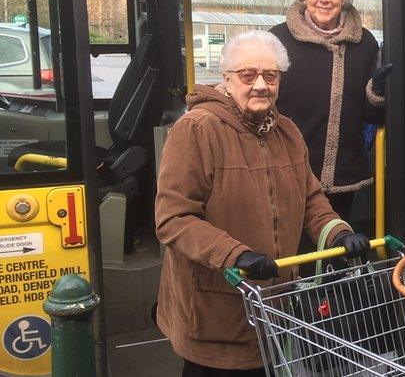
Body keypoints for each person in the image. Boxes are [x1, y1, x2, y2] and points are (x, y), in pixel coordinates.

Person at [154, 30, 370, 376]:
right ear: (227, 78)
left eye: (270, 76)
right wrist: (235, 254)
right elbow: (174, 219)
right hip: (215, 313)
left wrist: (339, 234)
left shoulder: (286, 132)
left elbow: (311, 199)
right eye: (247, 74)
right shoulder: (197, 130)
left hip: (272, 306)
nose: (260, 85)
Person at [270, 0, 389, 219]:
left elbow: (372, 117)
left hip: (344, 175)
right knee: (294, 254)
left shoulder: (365, 43)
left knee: (335, 248)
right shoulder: (278, 39)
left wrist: (378, 91)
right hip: (287, 173)